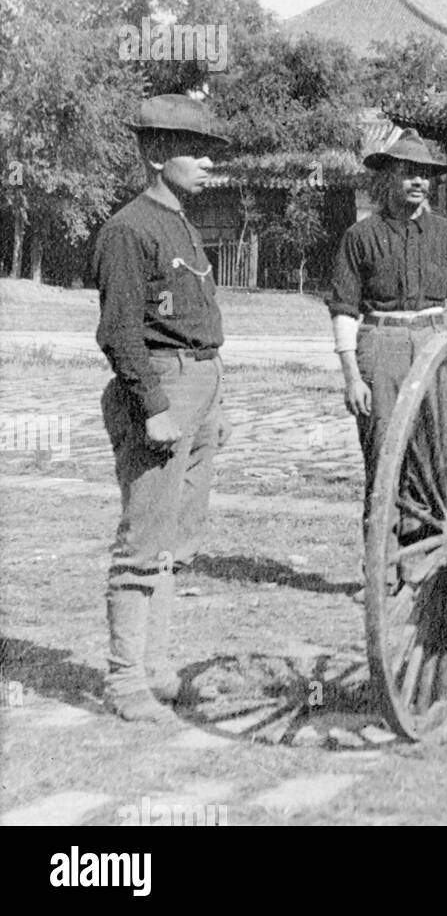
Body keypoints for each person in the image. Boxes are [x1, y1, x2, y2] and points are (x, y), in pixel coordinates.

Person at [93, 94, 231, 722]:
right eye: (194, 149)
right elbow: (120, 331)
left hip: (199, 388)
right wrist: (152, 407)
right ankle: (124, 682)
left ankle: (155, 668)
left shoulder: (182, 222)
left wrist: (215, 404)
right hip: (160, 390)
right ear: (154, 154)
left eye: (210, 150)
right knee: (142, 541)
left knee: (173, 540)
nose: (208, 161)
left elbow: (198, 321)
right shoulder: (129, 229)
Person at [328, 130, 447, 540]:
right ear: (388, 176)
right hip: (381, 346)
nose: (418, 182)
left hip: (435, 341)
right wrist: (353, 376)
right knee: (383, 456)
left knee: (432, 455)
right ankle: (381, 567)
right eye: (408, 172)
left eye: (424, 174)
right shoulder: (361, 236)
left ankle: (425, 559)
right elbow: (343, 308)